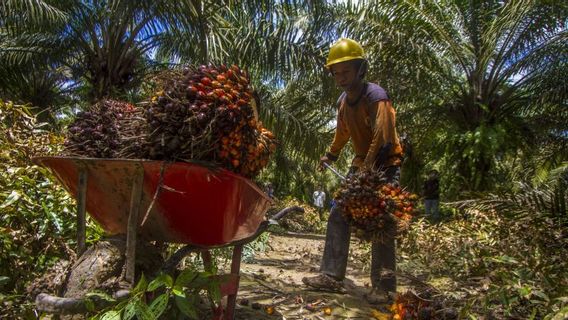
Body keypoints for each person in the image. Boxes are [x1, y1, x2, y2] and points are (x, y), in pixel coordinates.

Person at [302, 38, 403, 302]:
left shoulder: (377, 97)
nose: (340, 77)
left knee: (382, 223)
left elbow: (382, 138)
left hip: (386, 165)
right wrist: (331, 155)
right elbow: (343, 132)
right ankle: (331, 276)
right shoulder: (343, 102)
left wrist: (367, 171)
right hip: (361, 165)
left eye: (346, 71)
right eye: (336, 72)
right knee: (339, 212)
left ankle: (384, 287)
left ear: (360, 69)